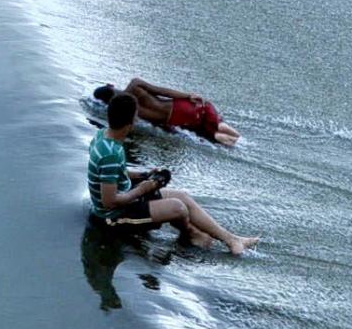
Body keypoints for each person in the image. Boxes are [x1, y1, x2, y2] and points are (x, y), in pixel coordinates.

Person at [88, 92, 258, 254]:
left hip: (126, 198)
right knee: (178, 208)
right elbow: (109, 202)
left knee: (182, 196)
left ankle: (232, 239)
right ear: (131, 121)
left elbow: (115, 173)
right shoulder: (110, 153)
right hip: (112, 217)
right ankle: (191, 234)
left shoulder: (103, 135)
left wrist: (144, 175)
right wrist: (143, 189)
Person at [93, 79, 240, 147]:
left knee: (209, 134)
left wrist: (175, 131)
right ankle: (231, 132)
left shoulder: (127, 111)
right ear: (111, 85)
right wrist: (188, 95)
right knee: (216, 122)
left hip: (177, 119)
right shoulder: (134, 84)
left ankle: (229, 140)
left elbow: (158, 125)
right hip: (180, 106)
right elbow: (162, 91)